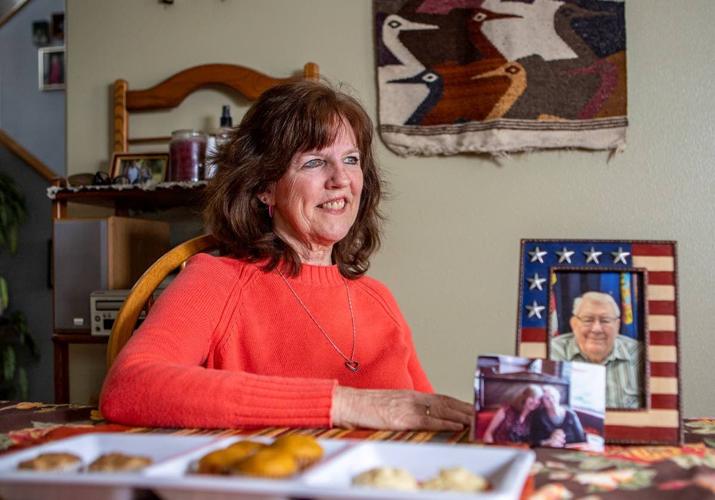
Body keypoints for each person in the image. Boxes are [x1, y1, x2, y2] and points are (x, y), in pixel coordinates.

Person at [100, 80, 473, 431]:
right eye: (314, 162)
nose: (341, 179)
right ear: (265, 187)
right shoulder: (217, 280)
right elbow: (128, 387)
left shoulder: (379, 299)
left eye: (351, 159)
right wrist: (344, 405)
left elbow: (422, 415)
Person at [550, 291, 642, 408]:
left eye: (605, 320)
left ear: (617, 325)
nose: (597, 329)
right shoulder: (552, 351)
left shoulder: (640, 354)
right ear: (574, 324)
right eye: (588, 320)